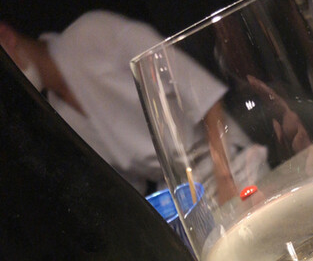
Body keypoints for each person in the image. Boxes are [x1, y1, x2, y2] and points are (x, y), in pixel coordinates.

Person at [0, 11, 266, 197]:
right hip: (179, 194)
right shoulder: (59, 113)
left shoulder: (93, 33)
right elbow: (130, 187)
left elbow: (204, 93)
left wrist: (224, 179)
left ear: (6, 37)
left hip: (226, 160)